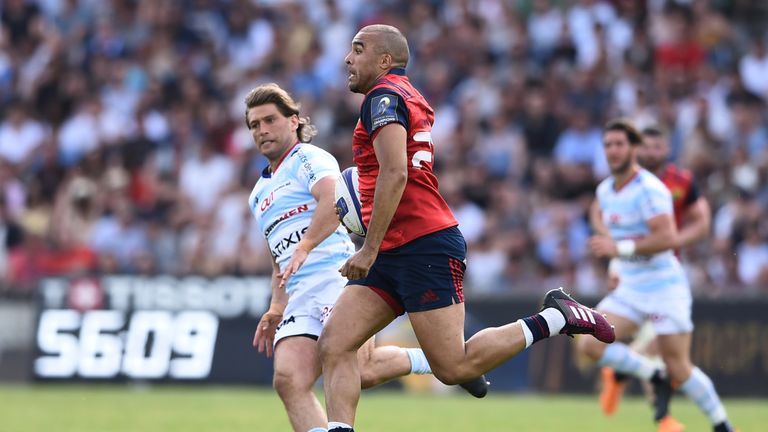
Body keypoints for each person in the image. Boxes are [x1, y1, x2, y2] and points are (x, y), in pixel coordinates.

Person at [316, 24, 615, 432]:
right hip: (395, 245)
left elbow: (395, 173)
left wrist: (368, 246)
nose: (348, 59)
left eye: (358, 49)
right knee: (335, 343)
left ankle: (557, 317)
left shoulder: (382, 97)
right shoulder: (404, 94)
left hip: (421, 244)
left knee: (454, 366)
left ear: (385, 60)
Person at [246, 83, 455, 432]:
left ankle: (435, 361)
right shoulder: (258, 192)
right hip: (299, 292)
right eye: (254, 125)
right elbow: (277, 257)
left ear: (294, 121)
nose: (262, 130)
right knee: (288, 380)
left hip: (334, 276)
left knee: (363, 370)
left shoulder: (308, 158)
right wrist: (276, 306)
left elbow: (332, 202)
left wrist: (306, 245)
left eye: (269, 120)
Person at [581, 119, 735, 432]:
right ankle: (653, 374)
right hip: (630, 286)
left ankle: (723, 425)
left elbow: (667, 238)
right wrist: (613, 257)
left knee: (679, 365)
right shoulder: (606, 189)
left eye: (619, 144)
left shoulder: (651, 189)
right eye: (608, 145)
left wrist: (617, 249)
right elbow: (600, 217)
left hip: (664, 287)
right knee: (589, 343)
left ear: (633, 149)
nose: (613, 150)